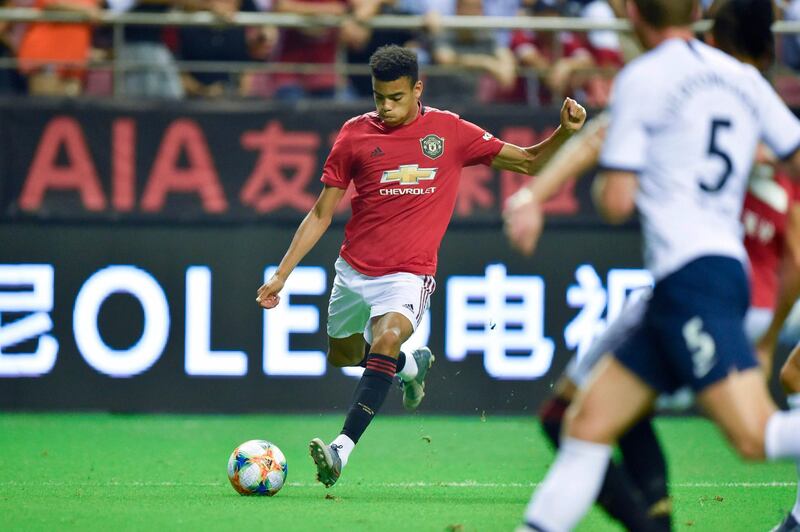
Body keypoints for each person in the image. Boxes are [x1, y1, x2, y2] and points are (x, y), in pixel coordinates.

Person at [509, 0, 800, 529]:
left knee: (755, 436)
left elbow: (617, 199)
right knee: (586, 425)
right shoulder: (742, 79)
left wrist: (600, 184)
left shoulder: (644, 77)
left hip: (693, 280)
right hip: (711, 274)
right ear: (694, 11)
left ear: (632, 13)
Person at [256, 44, 586, 488]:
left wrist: (564, 133)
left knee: (387, 337)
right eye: (378, 98)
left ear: (417, 89)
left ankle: (341, 450)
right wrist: (282, 273)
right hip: (353, 272)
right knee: (346, 356)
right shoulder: (354, 136)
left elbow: (528, 162)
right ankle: (412, 367)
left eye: (396, 98)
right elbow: (320, 213)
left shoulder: (449, 132)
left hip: (409, 275)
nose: (386, 108)